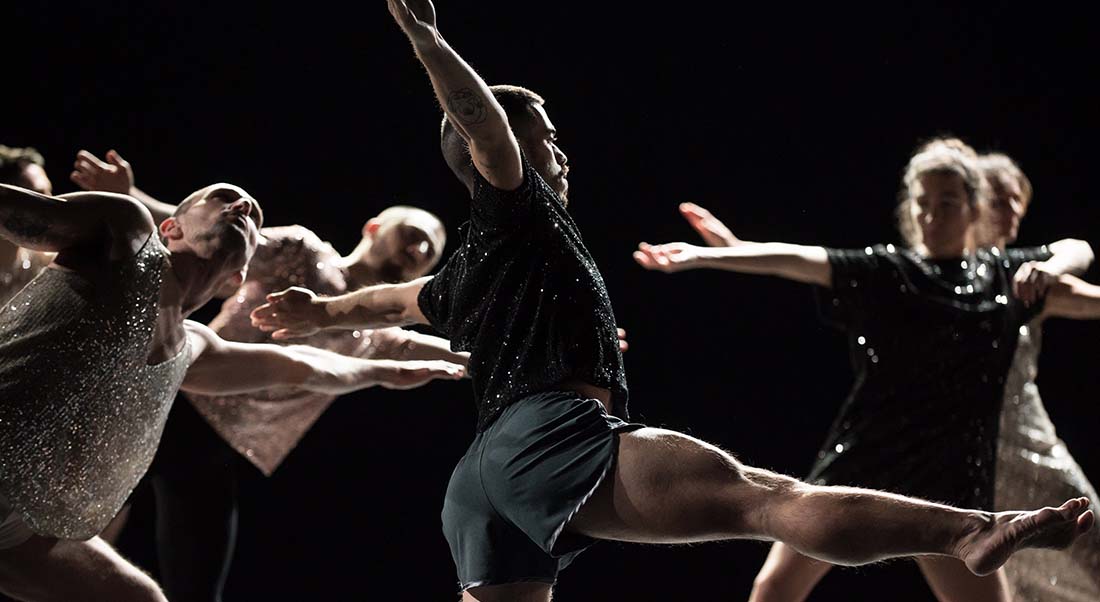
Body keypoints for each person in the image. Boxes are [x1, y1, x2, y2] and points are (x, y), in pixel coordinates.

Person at [250, 3, 1095, 600]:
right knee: (768, 499)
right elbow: (485, 127)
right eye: (546, 137)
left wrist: (320, 313)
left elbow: (402, 298)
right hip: (553, 438)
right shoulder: (518, 207)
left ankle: (964, 531)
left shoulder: (479, 259)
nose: (559, 149)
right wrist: (429, 42)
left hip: (479, 480)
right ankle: (964, 531)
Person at [633, 139, 1095, 601]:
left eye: (948, 204)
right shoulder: (889, 269)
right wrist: (709, 256)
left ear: (975, 210)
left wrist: (1051, 268)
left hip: (951, 468)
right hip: (871, 450)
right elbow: (800, 259)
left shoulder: (1002, 276)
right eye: (923, 205)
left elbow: (1078, 247)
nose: (932, 217)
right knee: (775, 586)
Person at [0, 181, 464, 601]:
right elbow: (21, 211)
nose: (243, 204)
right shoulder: (125, 230)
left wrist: (384, 372)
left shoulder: (193, 349)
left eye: (254, 214)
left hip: (19, 521)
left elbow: (305, 366)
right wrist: (132, 191)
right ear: (172, 228)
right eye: (223, 196)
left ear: (237, 279)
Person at [978, 152, 1100, 602]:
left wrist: (1049, 269)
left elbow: (1080, 253)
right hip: (973, 458)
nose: (1011, 212)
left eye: (1017, 203)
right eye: (999, 199)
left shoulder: (1024, 280)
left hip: (1032, 445)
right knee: (1016, 581)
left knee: (1088, 538)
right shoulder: (936, 279)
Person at [0, 146, 55, 305]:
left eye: (49, 193)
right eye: (38, 196)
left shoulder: (47, 263)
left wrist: (128, 192)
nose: (53, 206)